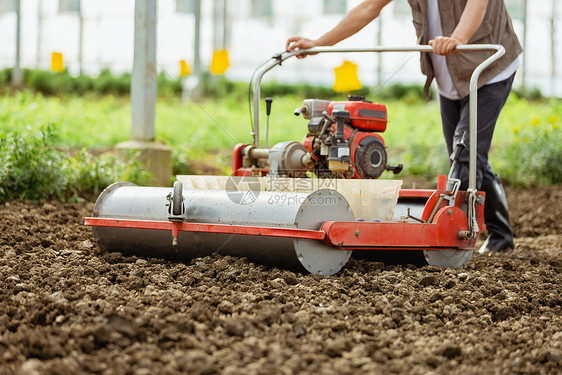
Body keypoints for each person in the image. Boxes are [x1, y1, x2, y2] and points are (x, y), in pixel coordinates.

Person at [286, 0, 522, 254]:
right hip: (449, 76)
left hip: (489, 69)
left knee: (465, 153)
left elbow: (478, 4)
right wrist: (319, 43)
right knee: (469, 154)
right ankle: (501, 235)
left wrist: (457, 38)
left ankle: (443, 236)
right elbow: (368, 8)